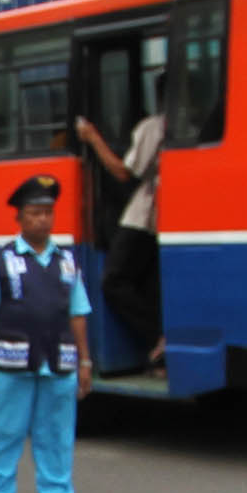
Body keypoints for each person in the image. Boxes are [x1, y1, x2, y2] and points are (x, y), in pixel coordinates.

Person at [0, 173, 94, 493]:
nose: (42, 219)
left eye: (47, 213)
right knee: (5, 433)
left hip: (59, 362)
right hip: (11, 364)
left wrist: (85, 361)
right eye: (34, 213)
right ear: (19, 218)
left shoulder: (67, 262)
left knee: (56, 435)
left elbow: (79, 314)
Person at [75, 100, 166, 361]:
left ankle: (159, 336)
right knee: (148, 282)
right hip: (161, 216)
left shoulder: (154, 126)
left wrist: (92, 138)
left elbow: (123, 172)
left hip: (144, 215)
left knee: (114, 280)